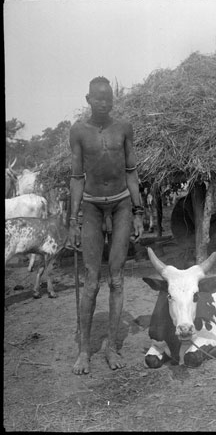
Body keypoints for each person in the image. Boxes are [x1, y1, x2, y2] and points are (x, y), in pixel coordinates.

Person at [68, 76, 144, 375]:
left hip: (122, 202)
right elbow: (76, 177)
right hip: (91, 204)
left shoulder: (124, 128)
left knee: (116, 278)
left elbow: (131, 171)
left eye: (108, 97)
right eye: (98, 97)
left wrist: (138, 211)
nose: (104, 102)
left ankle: (112, 347)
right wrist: (73, 221)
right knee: (90, 280)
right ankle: (85, 351)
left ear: (113, 100)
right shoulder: (78, 131)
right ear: (88, 99)